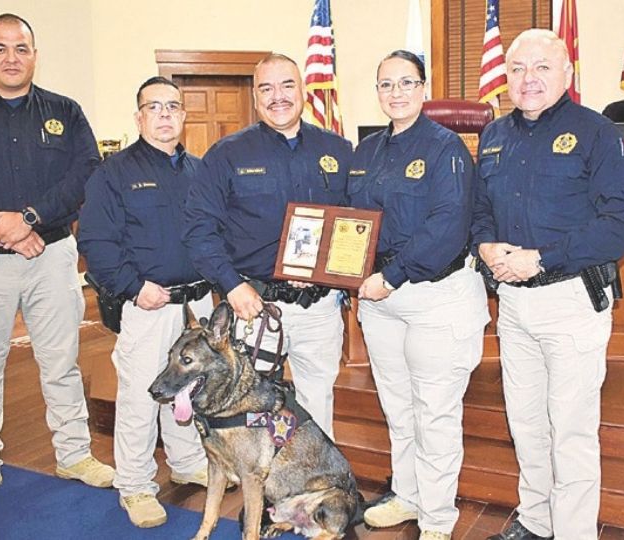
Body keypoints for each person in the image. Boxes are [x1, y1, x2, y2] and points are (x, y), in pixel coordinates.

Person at [0, 13, 113, 512]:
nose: (12, 57)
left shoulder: (65, 112)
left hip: (51, 256)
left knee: (61, 363)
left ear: (34, 53)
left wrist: (29, 219)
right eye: (1, 48)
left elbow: (85, 173)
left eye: (21, 48)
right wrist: (4, 231)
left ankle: (74, 454)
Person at [472, 29, 624, 540]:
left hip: (571, 300)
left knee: (569, 431)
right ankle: (536, 519)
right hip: (515, 306)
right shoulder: (494, 136)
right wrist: (485, 245)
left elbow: (622, 225)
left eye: (542, 67)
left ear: (567, 74)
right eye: (519, 68)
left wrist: (541, 258)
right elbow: (481, 209)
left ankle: (572, 532)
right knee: (526, 424)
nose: (529, 79)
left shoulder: (597, 133)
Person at [347, 50, 490, 540]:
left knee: (435, 414)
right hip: (380, 302)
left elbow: (447, 228)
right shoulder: (365, 152)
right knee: (399, 407)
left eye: (406, 83)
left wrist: (391, 276)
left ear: (423, 88)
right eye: (386, 85)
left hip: (435, 296)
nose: (396, 93)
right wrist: (348, 272)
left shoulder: (446, 148)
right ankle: (407, 496)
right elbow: (351, 223)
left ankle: (437, 519)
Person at [183, 53, 353, 437]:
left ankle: (311, 491)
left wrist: (336, 273)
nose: (278, 96)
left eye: (287, 85)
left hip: (318, 308)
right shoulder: (226, 155)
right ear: (256, 98)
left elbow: (353, 225)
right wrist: (231, 285)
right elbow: (198, 229)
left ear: (304, 91)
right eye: (267, 88)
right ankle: (258, 493)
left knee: (316, 403)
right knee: (248, 408)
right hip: (253, 306)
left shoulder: (339, 151)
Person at [77, 77, 214, 529]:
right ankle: (135, 485)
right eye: (154, 108)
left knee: (189, 391)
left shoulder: (199, 171)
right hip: (148, 303)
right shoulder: (114, 173)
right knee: (141, 396)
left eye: (173, 107)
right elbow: (96, 242)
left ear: (184, 115)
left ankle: (186, 459)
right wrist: (135, 288)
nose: (165, 115)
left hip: (196, 303)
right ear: (138, 117)